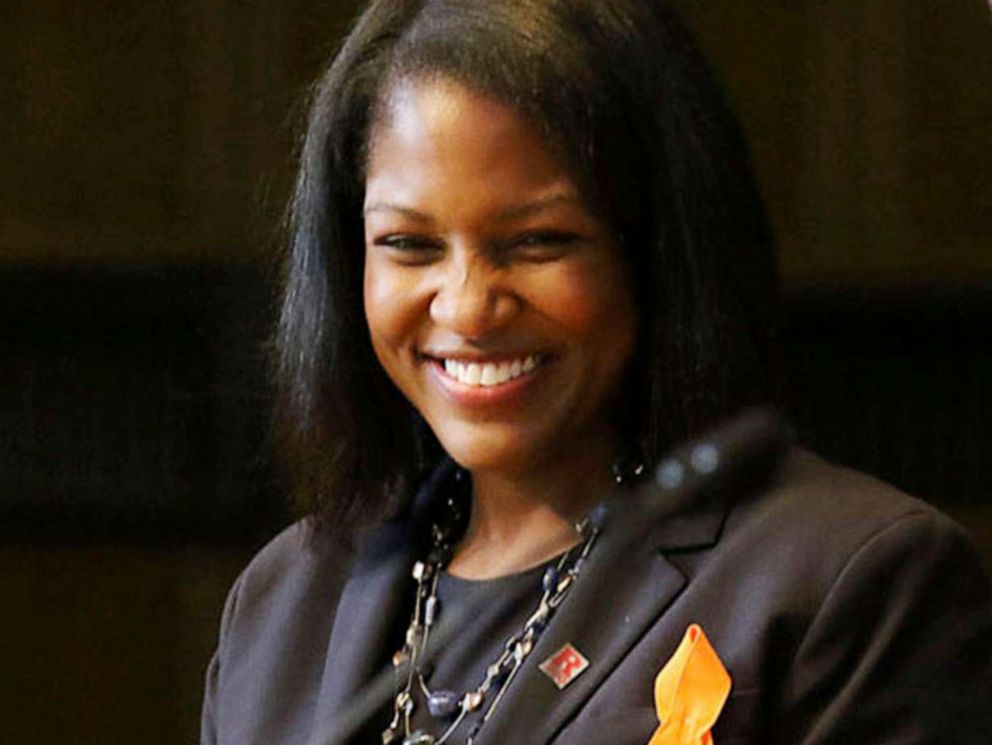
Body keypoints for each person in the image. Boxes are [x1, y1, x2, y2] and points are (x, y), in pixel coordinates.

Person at [200, 1, 992, 744]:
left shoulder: (850, 582)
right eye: (410, 245)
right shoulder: (284, 602)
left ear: (657, 248)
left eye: (537, 242)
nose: (469, 307)